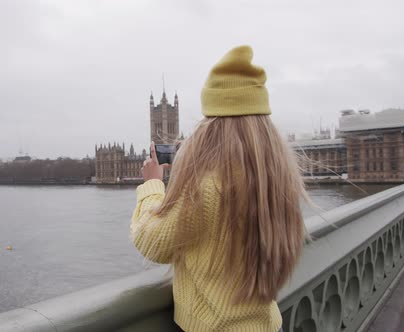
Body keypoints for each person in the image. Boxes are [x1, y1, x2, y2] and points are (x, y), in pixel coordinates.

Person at [130, 45, 307, 332]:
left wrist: (152, 185)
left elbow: (152, 242)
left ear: (213, 123)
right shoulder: (277, 180)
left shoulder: (210, 186)